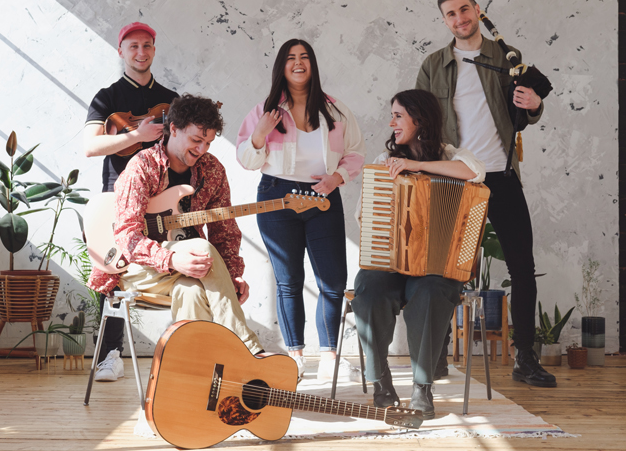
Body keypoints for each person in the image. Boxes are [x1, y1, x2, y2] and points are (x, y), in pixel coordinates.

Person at [416, 0, 554, 387]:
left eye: (464, 10)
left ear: (477, 9)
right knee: (445, 270)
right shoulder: (433, 65)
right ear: (445, 21)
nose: (460, 19)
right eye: (451, 14)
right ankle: (437, 355)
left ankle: (525, 358)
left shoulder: (505, 58)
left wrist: (536, 104)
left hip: (502, 176)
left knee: (522, 269)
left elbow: (523, 111)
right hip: (457, 178)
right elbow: (421, 120)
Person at [87, 94, 263, 377]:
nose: (202, 148)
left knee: (191, 291)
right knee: (202, 249)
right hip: (134, 268)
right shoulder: (142, 166)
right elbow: (127, 236)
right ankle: (248, 350)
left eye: (208, 142)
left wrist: (232, 276)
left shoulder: (213, 170)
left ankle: (192, 381)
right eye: (196, 140)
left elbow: (225, 232)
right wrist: (171, 259)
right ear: (174, 129)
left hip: (186, 270)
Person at [236, 38, 365, 382]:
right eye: (291, 58)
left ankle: (329, 356)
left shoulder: (335, 110)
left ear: (313, 65)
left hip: (323, 197)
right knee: (289, 281)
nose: (298, 62)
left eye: (304, 57)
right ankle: (294, 357)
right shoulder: (265, 111)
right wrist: (259, 135)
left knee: (333, 280)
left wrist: (337, 177)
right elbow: (246, 160)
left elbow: (355, 153)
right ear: (282, 66)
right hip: (277, 197)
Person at [352, 89, 485, 419]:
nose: (391, 123)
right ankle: (381, 380)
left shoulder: (452, 156)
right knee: (369, 291)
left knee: (431, 293)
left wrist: (417, 165)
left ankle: (422, 388)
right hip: (391, 263)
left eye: (398, 115)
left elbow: (476, 173)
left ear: (420, 119)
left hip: (434, 268)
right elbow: (363, 215)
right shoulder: (385, 164)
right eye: (392, 115)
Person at [84, 22, 179, 381]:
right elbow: (91, 146)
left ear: (154, 50)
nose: (141, 52)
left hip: (162, 195)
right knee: (111, 270)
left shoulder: (173, 99)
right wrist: (137, 136)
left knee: (173, 263)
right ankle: (110, 355)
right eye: (134, 46)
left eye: (148, 45)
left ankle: (181, 351)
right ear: (121, 51)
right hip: (115, 194)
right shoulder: (106, 97)